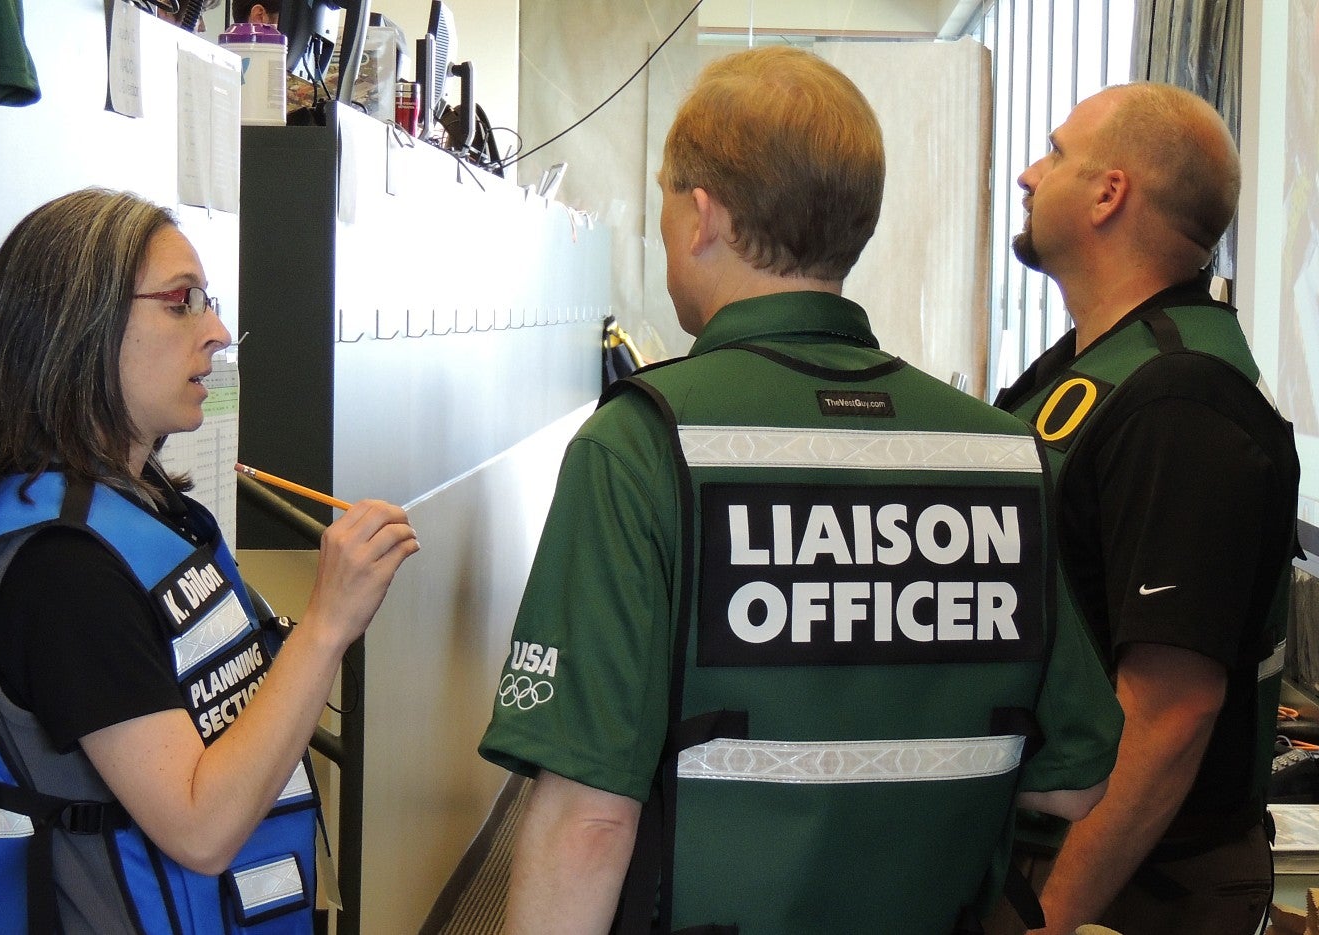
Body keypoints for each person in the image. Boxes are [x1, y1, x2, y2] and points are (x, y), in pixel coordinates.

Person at [478, 47, 1122, 935]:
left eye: (668, 197)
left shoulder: (641, 446)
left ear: (701, 215)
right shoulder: (1005, 454)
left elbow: (588, 820)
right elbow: (1075, 778)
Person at [0, 188, 419, 934]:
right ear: (81, 325)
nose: (220, 332)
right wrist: (326, 622)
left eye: (209, 300)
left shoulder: (149, 509)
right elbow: (201, 826)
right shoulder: (62, 571)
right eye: (182, 302)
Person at [987, 83, 1301, 935]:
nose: (1026, 173)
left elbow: (1169, 709)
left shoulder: (1182, 397)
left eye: (1052, 153)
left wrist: (1050, 919)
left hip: (1131, 885)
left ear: (1108, 192)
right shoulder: (1092, 369)